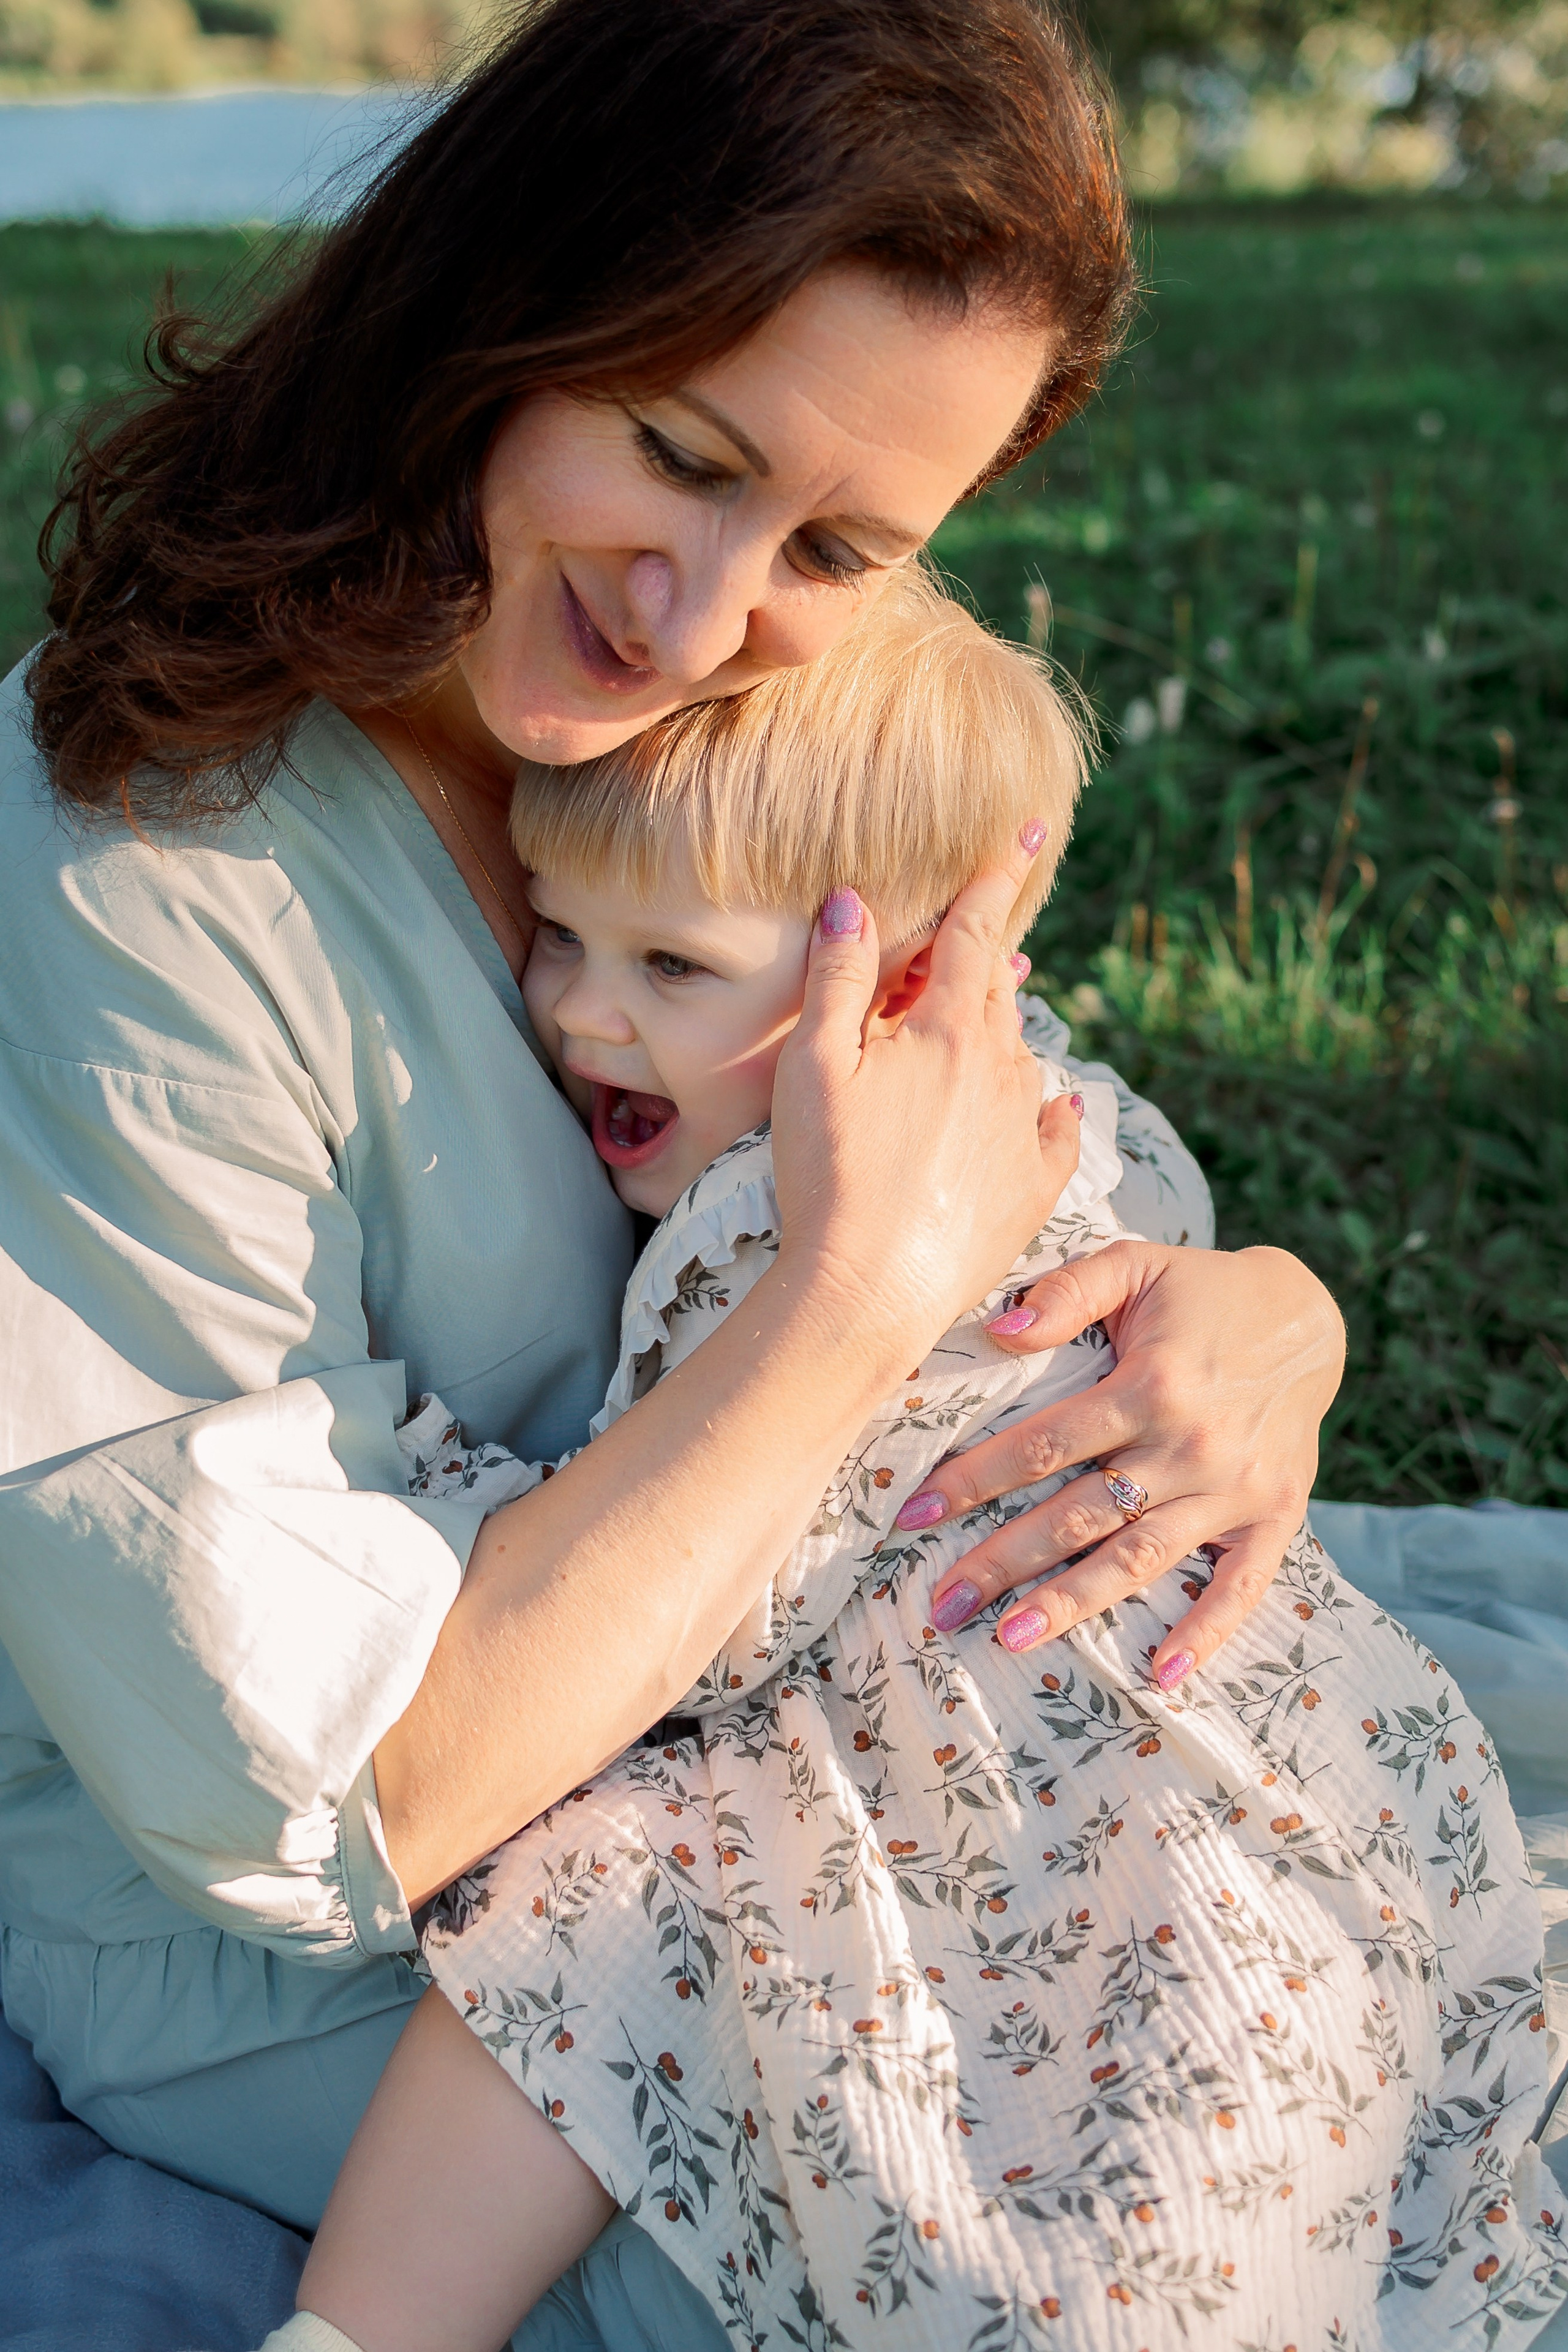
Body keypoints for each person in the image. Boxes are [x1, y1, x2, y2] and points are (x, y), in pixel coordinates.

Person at [0, 4, 1347, 2345]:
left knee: (1317, 2051)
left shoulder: (733, 720)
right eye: (678, 453)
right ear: (496, 313)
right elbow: (324, 1806)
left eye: (835, 541)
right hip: (348, 1944)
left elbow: (994, 1137)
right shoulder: (137, 873)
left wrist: (1253, 1315)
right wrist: (848, 1311)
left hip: (799, 1746)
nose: (706, 618)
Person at [244, 575, 1556, 2352]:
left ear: (907, 981)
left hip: (1036, 1760)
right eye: (560, 936)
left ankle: (365, 2328)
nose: (582, 1018)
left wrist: (462, 1490)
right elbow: (1163, 1219)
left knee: (598, 1943)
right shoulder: (1051, 1118)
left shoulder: (773, 1231)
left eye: (674, 966)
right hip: (1214, 1734)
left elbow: (711, 1609)